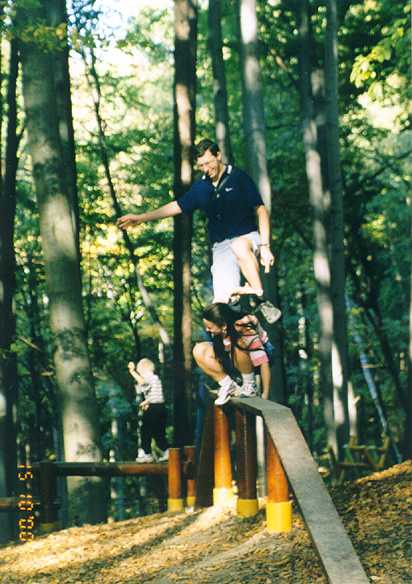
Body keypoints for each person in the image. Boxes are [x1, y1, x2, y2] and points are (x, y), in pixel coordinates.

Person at [117, 138, 280, 322]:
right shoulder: (200, 188)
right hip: (221, 247)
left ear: (218, 156)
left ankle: (260, 299)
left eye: (209, 163)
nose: (206, 169)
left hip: (247, 237)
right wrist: (141, 218)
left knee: (239, 246)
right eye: (201, 165)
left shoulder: (239, 177)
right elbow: (176, 206)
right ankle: (248, 334)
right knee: (221, 306)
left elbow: (261, 210)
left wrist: (265, 246)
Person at [193, 302, 273, 405]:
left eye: (210, 327)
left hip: (257, 359)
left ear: (223, 325)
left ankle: (249, 386)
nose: (207, 330)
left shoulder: (245, 329)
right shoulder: (220, 331)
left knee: (237, 343)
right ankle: (228, 384)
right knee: (199, 350)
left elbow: (263, 362)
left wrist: (265, 394)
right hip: (233, 358)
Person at [127, 358, 169, 463]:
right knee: (158, 432)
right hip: (160, 407)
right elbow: (155, 396)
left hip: (153, 409)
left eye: (140, 373)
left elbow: (142, 382)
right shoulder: (156, 379)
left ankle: (146, 453)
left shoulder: (149, 377)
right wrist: (146, 402)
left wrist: (132, 372)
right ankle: (166, 450)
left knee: (145, 431)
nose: (141, 376)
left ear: (144, 370)